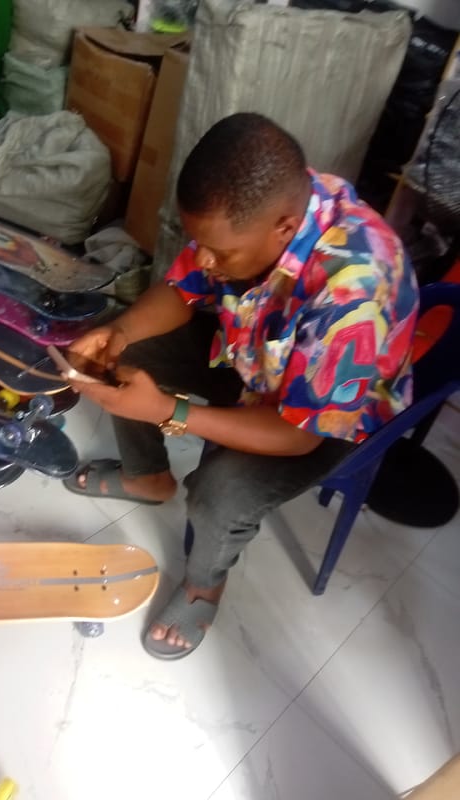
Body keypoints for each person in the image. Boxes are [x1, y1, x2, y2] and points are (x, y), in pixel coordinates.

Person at [49, 113, 419, 660]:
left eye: (219, 253)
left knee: (219, 496)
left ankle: (204, 583)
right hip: (255, 352)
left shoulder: (354, 291)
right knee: (127, 352)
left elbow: (299, 436)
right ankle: (147, 476)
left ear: (285, 228)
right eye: (198, 242)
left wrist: (167, 411)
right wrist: (118, 331)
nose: (203, 259)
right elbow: (186, 287)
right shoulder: (254, 216)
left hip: (326, 417)